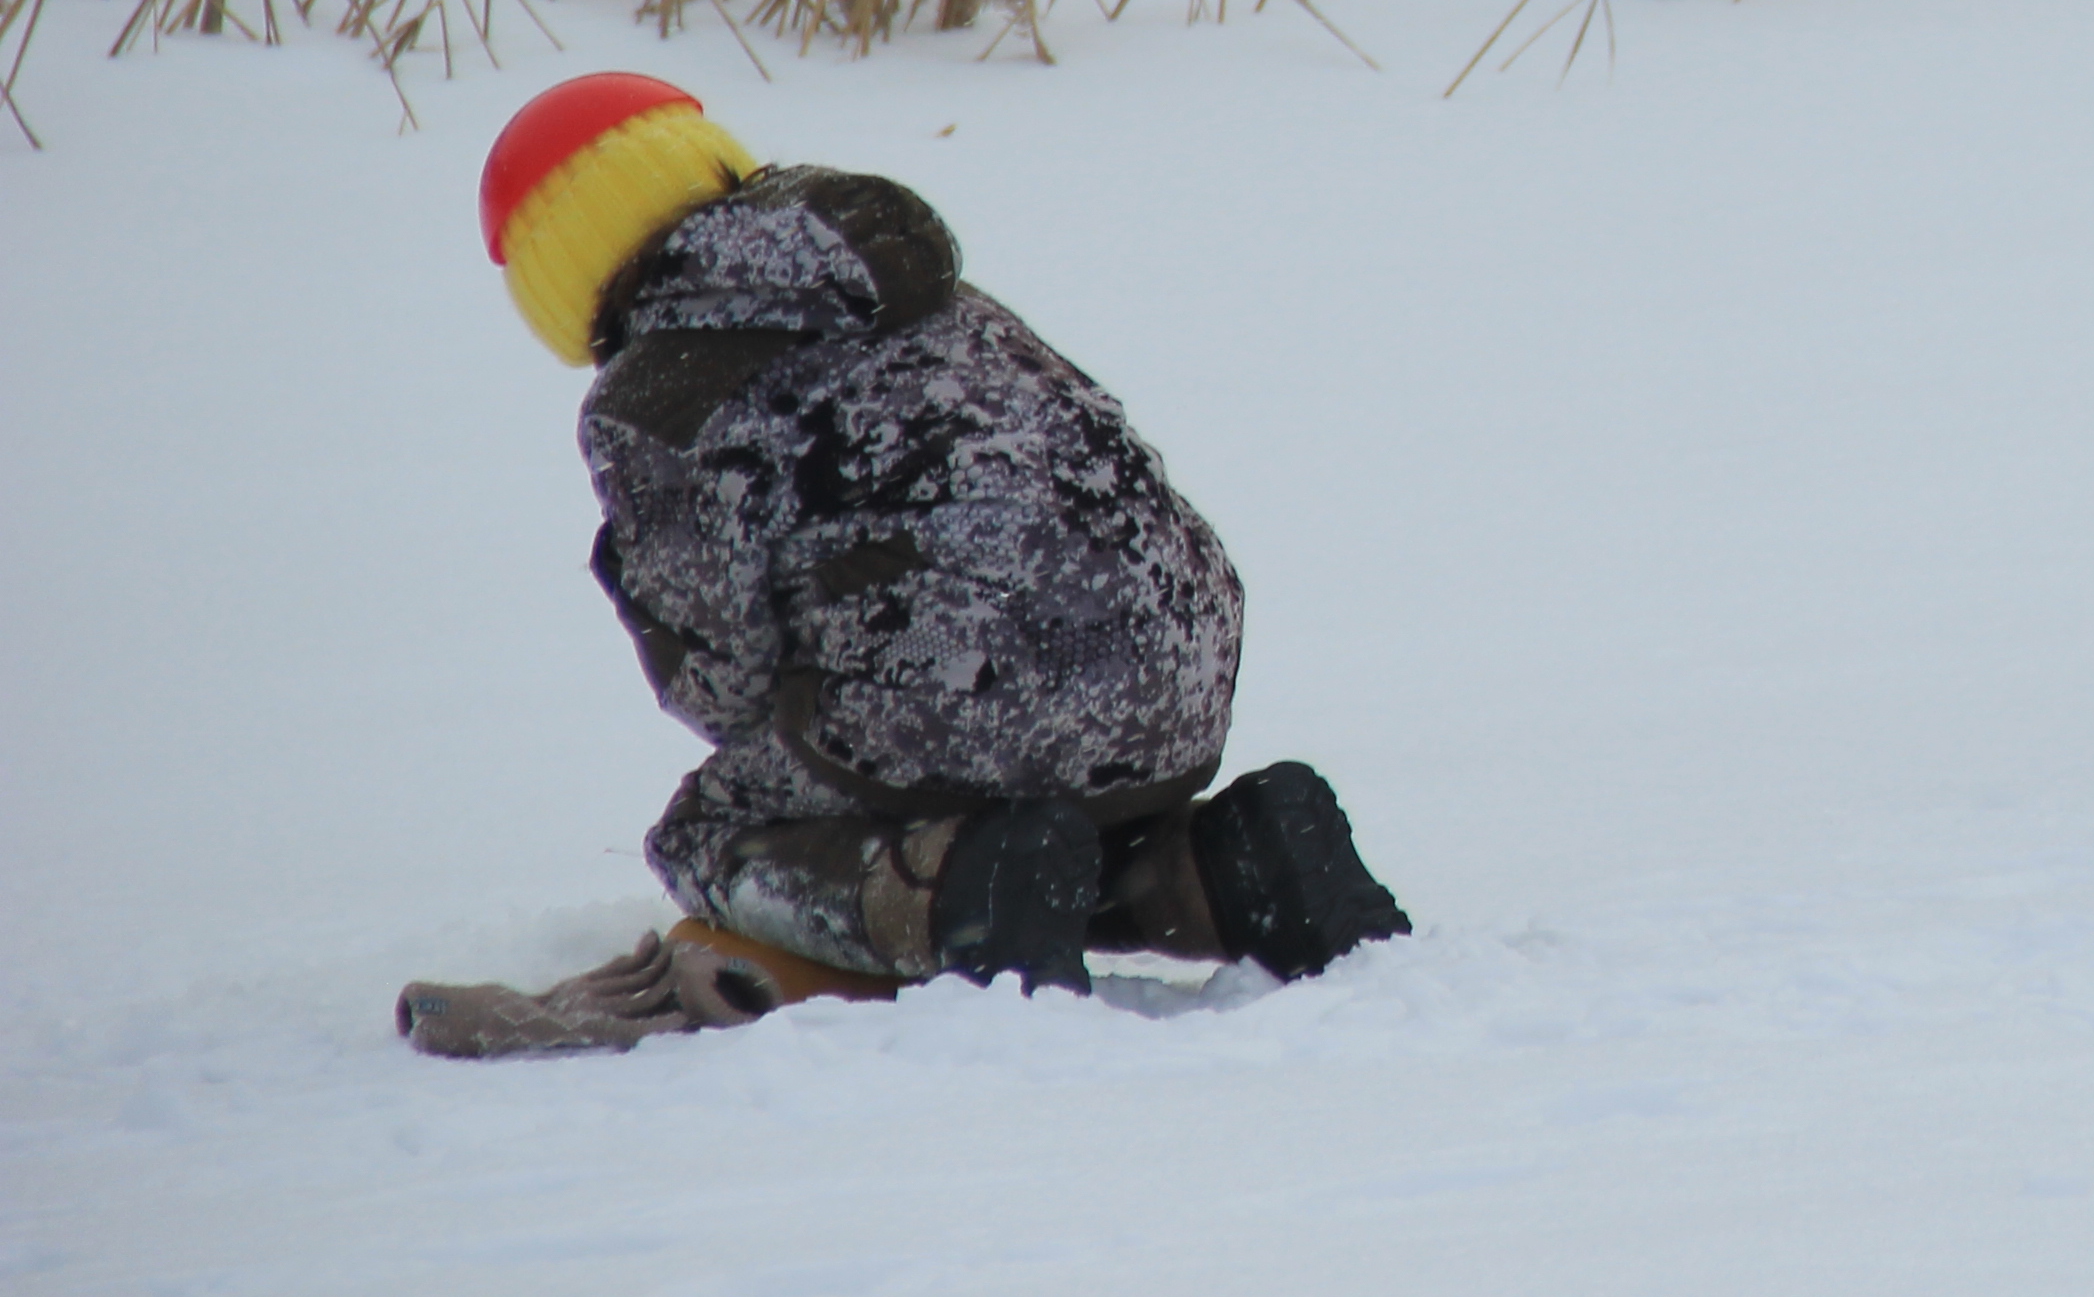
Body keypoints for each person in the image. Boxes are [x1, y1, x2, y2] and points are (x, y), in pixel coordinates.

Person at [397, 73, 1411, 1057]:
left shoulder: (655, 401)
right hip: (1182, 655)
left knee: (711, 830)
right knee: (997, 773)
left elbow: (725, 682)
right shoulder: (902, 277)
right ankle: (1234, 860)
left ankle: (960, 891)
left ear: (555, 272)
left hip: (966, 689)